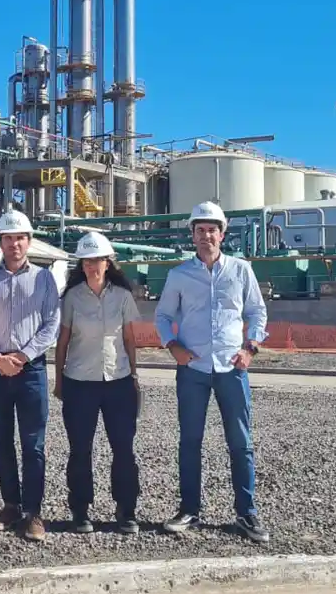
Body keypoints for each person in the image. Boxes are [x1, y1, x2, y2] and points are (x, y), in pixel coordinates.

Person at [154, 200, 271, 543]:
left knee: (241, 443)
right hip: (193, 369)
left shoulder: (240, 271)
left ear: (223, 234)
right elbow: (162, 316)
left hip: (232, 369)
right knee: (190, 441)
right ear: (191, 235)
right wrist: (172, 346)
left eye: (212, 230)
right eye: (200, 230)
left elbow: (257, 312)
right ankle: (189, 509)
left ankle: (247, 514)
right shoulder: (179, 276)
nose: (206, 236)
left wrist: (250, 348)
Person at [0, 208, 60, 542]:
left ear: (29, 241)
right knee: (1, 443)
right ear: (1, 242)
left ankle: (33, 512)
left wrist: (23, 356)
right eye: (9, 238)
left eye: (20, 238)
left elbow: (52, 323)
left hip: (31, 371)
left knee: (33, 444)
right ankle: (10, 504)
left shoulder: (43, 279)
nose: (15, 243)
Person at [53, 231, 141, 535]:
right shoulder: (72, 298)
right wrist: (59, 379)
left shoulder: (123, 296)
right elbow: (62, 341)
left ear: (108, 262)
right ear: (82, 263)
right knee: (80, 449)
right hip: (80, 381)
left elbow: (129, 338)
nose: (93, 265)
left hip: (117, 380)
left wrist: (134, 376)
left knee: (123, 448)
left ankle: (126, 509)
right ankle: (80, 510)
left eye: (98, 260)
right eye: (87, 260)